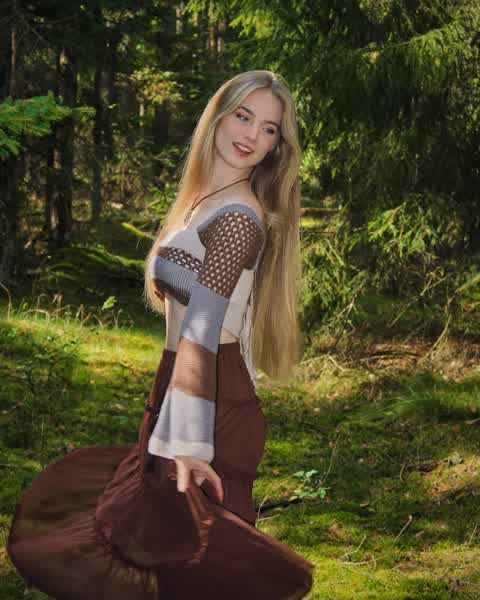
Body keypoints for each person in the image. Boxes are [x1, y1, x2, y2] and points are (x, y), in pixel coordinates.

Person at [7, 70, 314, 599]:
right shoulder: (205, 201)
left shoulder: (238, 218)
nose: (251, 135)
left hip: (210, 397)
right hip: (182, 384)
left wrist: (189, 444)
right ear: (218, 116)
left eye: (268, 129)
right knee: (164, 549)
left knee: (193, 560)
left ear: (276, 147)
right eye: (243, 116)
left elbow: (203, 326)